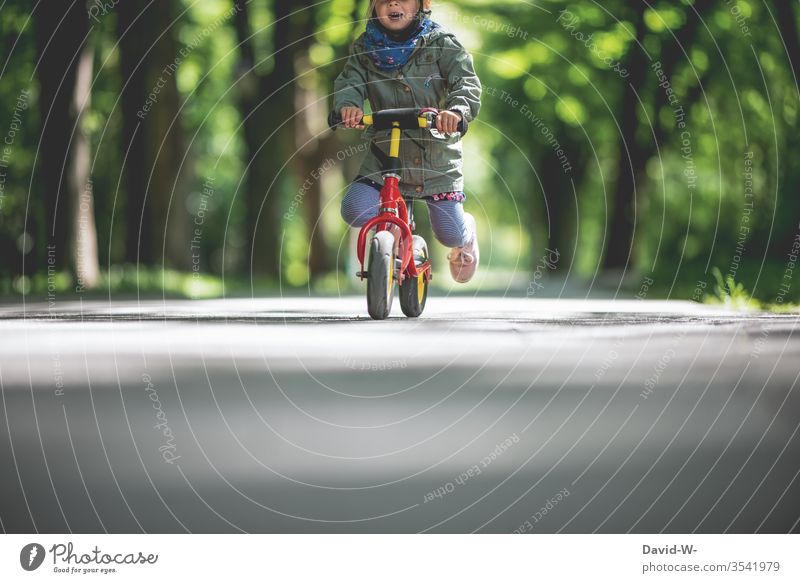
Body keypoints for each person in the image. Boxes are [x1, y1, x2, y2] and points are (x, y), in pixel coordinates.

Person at [333, 0, 482, 283]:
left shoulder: (441, 43)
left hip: (435, 158)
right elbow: (349, 82)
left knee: (449, 233)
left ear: (422, 3)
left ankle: (466, 231)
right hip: (385, 153)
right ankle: (394, 232)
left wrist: (456, 111)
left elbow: (466, 82)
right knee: (354, 209)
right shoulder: (365, 49)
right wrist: (348, 106)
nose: (393, 2)